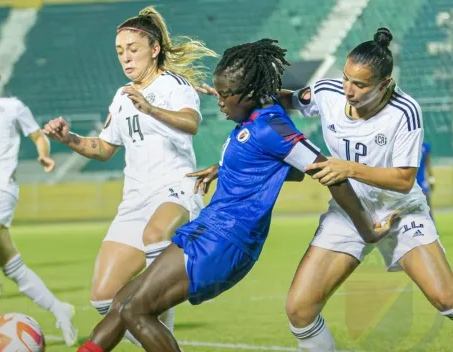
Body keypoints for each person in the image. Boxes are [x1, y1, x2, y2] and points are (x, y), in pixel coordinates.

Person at [75, 39, 397, 352]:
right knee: (122, 302)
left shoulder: (271, 127)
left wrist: (367, 229)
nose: (219, 101)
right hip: (209, 232)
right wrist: (224, 169)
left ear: (248, 95)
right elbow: (286, 168)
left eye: (225, 95)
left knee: (135, 311)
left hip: (224, 242)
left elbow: (327, 172)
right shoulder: (252, 118)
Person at [43, 6, 217, 346]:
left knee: (156, 236)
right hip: (135, 200)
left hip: (175, 189)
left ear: (154, 49)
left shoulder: (174, 85)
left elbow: (191, 123)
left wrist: (150, 108)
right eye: (120, 51)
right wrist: (70, 138)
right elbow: (104, 148)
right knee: (104, 299)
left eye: (132, 49)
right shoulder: (122, 96)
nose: (125, 57)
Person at [276, 28, 452, 351]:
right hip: (348, 211)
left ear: (384, 84)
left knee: (446, 299)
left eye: (360, 84)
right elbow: (288, 101)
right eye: (345, 79)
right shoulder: (326, 93)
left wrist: (348, 168)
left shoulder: (405, 112)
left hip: (399, 210)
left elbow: (403, 179)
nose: (348, 90)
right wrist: (249, 93)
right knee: (299, 310)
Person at [0, 55, 77, 346]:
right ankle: (59, 309)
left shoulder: (12, 107)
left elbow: (37, 136)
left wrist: (44, 153)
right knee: (14, 268)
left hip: (0, 188)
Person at [416, 141, 435, 218]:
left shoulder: (425, 146)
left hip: (421, 183)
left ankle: (432, 228)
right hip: (410, 184)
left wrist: (432, 179)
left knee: (427, 209)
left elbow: (428, 164)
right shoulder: (407, 144)